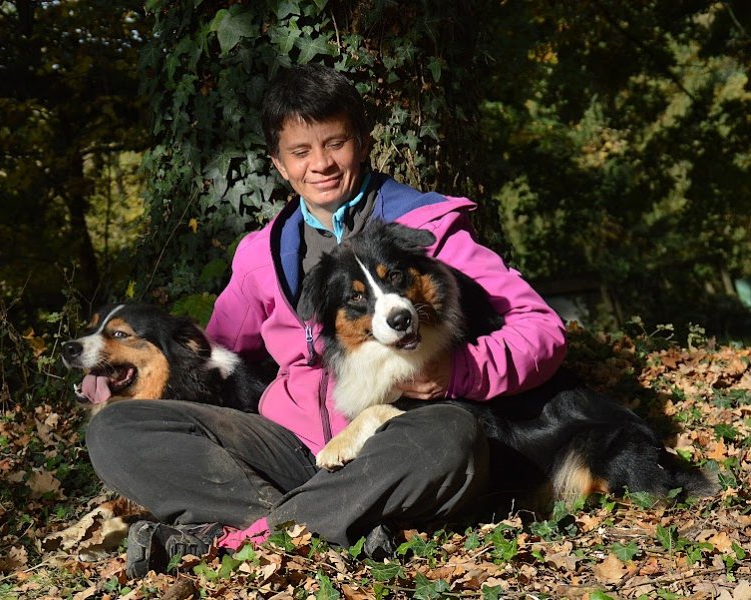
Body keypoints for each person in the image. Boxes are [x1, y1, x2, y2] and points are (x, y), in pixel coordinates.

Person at [85, 63, 567, 579]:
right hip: (295, 450)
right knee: (114, 430)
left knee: (451, 440)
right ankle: (332, 519)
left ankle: (245, 536)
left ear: (360, 141)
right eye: (300, 151)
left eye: (334, 143)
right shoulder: (260, 257)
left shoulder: (428, 229)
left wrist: (457, 373)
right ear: (278, 162)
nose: (321, 164)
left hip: (400, 438)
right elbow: (217, 350)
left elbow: (541, 328)